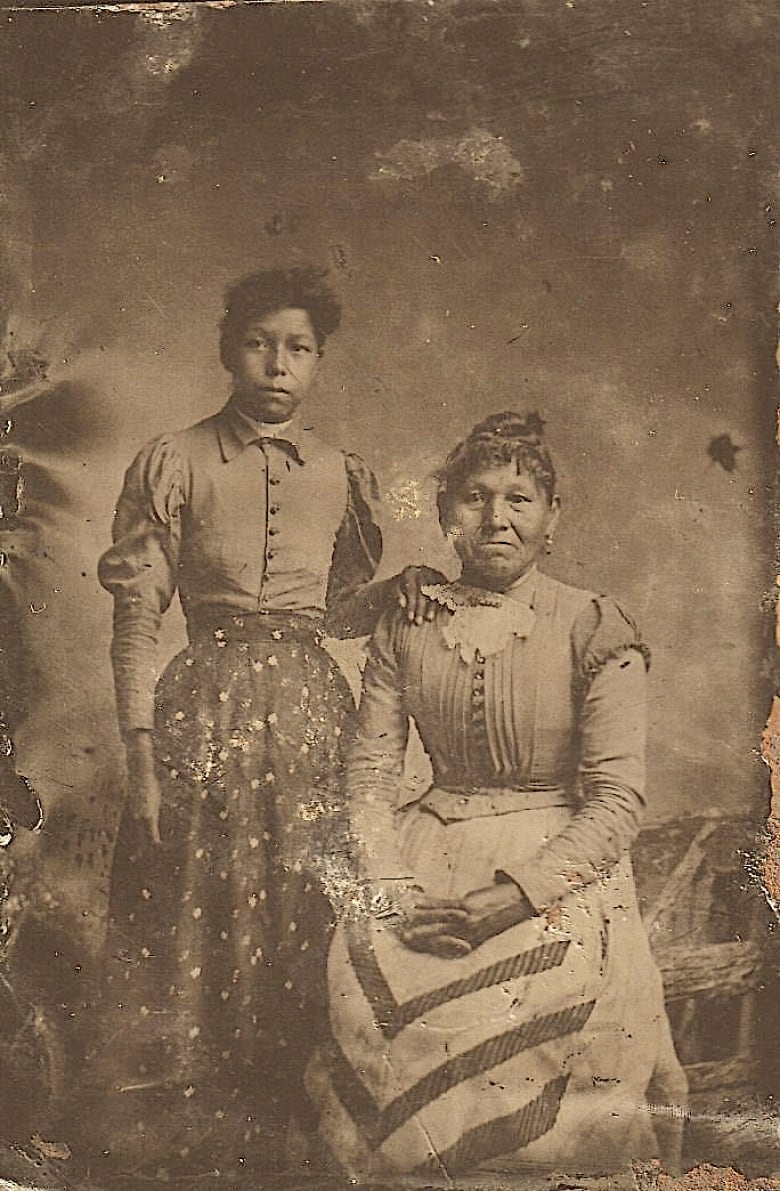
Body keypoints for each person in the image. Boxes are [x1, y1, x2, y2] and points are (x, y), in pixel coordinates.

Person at [92, 266, 434, 1181]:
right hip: (203, 712)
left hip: (315, 716)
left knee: (305, 909)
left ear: (319, 361)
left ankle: (295, 1131)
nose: (278, 365)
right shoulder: (175, 458)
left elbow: (339, 615)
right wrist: (138, 752)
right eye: (259, 343)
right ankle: (205, 1142)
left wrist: (396, 593)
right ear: (227, 349)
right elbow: (137, 618)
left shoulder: (343, 474)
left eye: (299, 348)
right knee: (202, 905)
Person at [307, 410, 688, 1178]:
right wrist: (389, 888)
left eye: (520, 498)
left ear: (553, 516)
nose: (497, 518)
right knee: (363, 990)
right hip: (424, 857)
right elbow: (372, 773)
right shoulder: (408, 620)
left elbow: (617, 801)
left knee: (543, 1006)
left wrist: (518, 896)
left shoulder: (592, 624)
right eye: (476, 497)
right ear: (446, 514)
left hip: (556, 866)